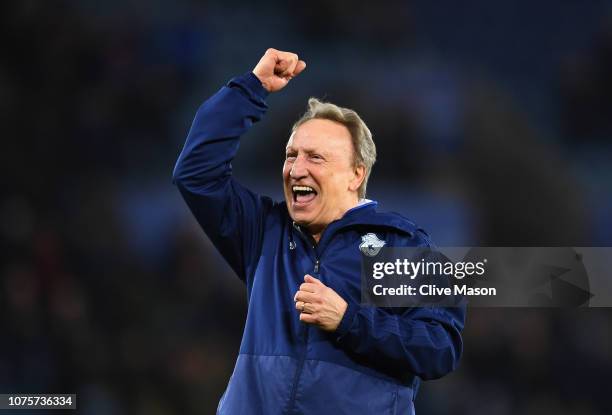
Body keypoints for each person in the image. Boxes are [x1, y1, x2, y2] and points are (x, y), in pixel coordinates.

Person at [173, 48, 465, 415]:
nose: (295, 169)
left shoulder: (399, 245)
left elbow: (439, 349)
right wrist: (251, 88)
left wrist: (349, 320)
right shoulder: (265, 232)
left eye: (315, 157)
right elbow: (195, 173)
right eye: (291, 155)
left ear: (356, 174)